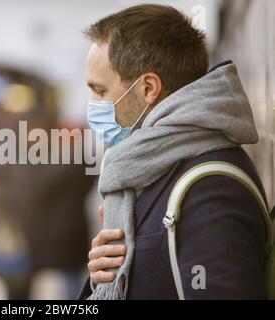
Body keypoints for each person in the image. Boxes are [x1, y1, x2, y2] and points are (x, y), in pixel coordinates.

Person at [78, 4, 269, 299]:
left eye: (100, 90)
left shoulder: (210, 188)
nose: (91, 103)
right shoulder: (156, 169)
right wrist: (107, 277)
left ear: (148, 88)